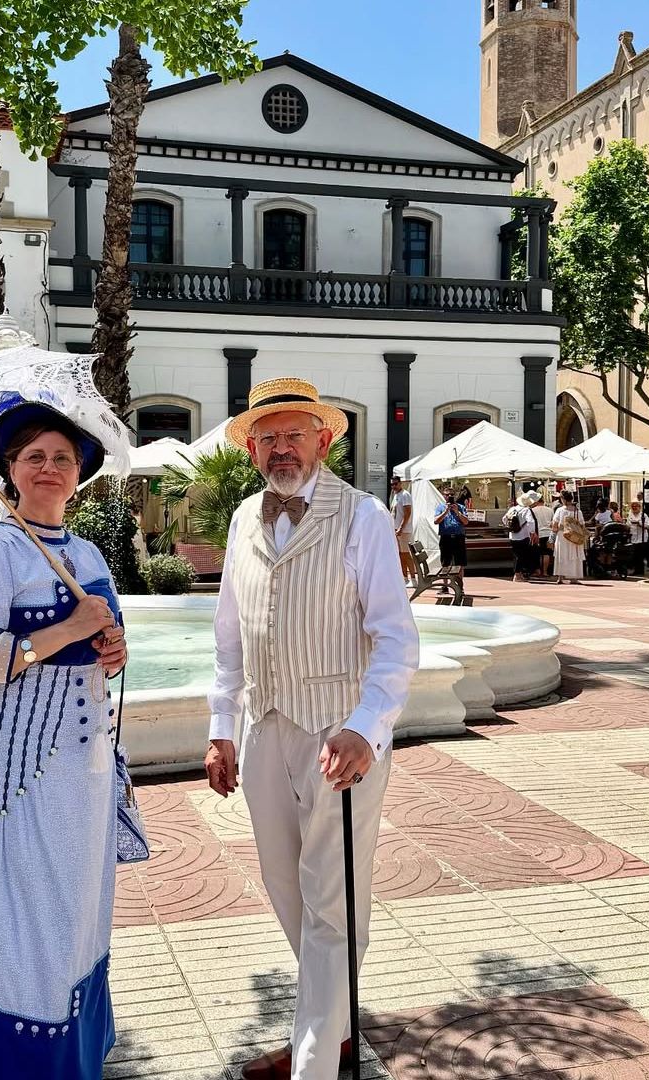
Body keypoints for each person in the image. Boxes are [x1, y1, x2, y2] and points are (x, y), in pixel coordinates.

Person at [204, 377, 419, 1080]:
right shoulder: (244, 518)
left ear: (323, 440)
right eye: (267, 438)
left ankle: (315, 1064)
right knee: (285, 886)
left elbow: (395, 637)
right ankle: (334, 1027)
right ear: (252, 450)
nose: (281, 448)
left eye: (294, 434)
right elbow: (230, 635)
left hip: (339, 735)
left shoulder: (363, 517)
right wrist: (221, 725)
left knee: (331, 898)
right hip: (264, 726)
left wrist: (366, 727)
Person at [0, 397, 127, 1079]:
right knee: (21, 901)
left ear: (78, 473)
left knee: (77, 904)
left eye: (62, 458)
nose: (49, 468)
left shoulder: (88, 552)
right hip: (20, 765)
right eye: (34, 457)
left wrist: (112, 651)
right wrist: (69, 630)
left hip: (87, 763)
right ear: (11, 470)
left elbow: (104, 651)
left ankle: (73, 1056)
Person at [502, 492, 538, 582]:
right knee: (522, 556)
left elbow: (504, 519)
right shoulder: (526, 510)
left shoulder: (513, 508)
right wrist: (532, 532)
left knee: (516, 555)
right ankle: (517, 575)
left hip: (512, 535)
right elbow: (531, 521)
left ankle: (518, 574)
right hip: (523, 535)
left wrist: (510, 527)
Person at [551, 490, 586, 584]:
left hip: (562, 535)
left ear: (563, 499)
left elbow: (554, 525)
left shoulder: (560, 510)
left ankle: (560, 577)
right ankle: (573, 577)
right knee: (574, 555)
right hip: (575, 536)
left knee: (562, 555)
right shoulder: (578, 511)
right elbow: (582, 525)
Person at [433, 482, 468, 574]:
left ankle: (460, 582)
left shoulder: (461, 507)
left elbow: (466, 522)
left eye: (452, 495)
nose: (449, 496)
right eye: (447, 495)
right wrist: (446, 511)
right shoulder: (440, 507)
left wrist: (457, 511)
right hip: (446, 537)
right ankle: (445, 582)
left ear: (455, 496)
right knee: (445, 563)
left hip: (458, 537)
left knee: (460, 563)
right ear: (444, 496)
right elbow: (436, 521)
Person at [389, 474, 414, 586]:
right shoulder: (395, 495)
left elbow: (407, 513)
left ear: (400, 483)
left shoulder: (405, 495)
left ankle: (413, 578)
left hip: (404, 530)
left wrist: (401, 528)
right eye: (392, 484)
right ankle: (404, 578)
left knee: (406, 554)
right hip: (396, 529)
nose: (393, 486)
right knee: (400, 554)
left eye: (395, 484)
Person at [531, 491, 554, 578]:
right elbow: (553, 522)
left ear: (536, 501)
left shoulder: (533, 510)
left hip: (538, 534)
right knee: (546, 553)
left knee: (538, 553)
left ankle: (538, 571)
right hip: (548, 533)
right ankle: (545, 572)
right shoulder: (550, 510)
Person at [626, 500, 649, 576]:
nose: (634, 508)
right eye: (633, 506)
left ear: (639, 507)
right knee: (634, 555)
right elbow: (628, 525)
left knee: (641, 555)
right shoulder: (630, 515)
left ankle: (641, 571)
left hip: (642, 538)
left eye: (636, 506)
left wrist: (639, 524)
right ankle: (635, 570)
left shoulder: (644, 515)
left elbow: (648, 526)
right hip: (633, 537)